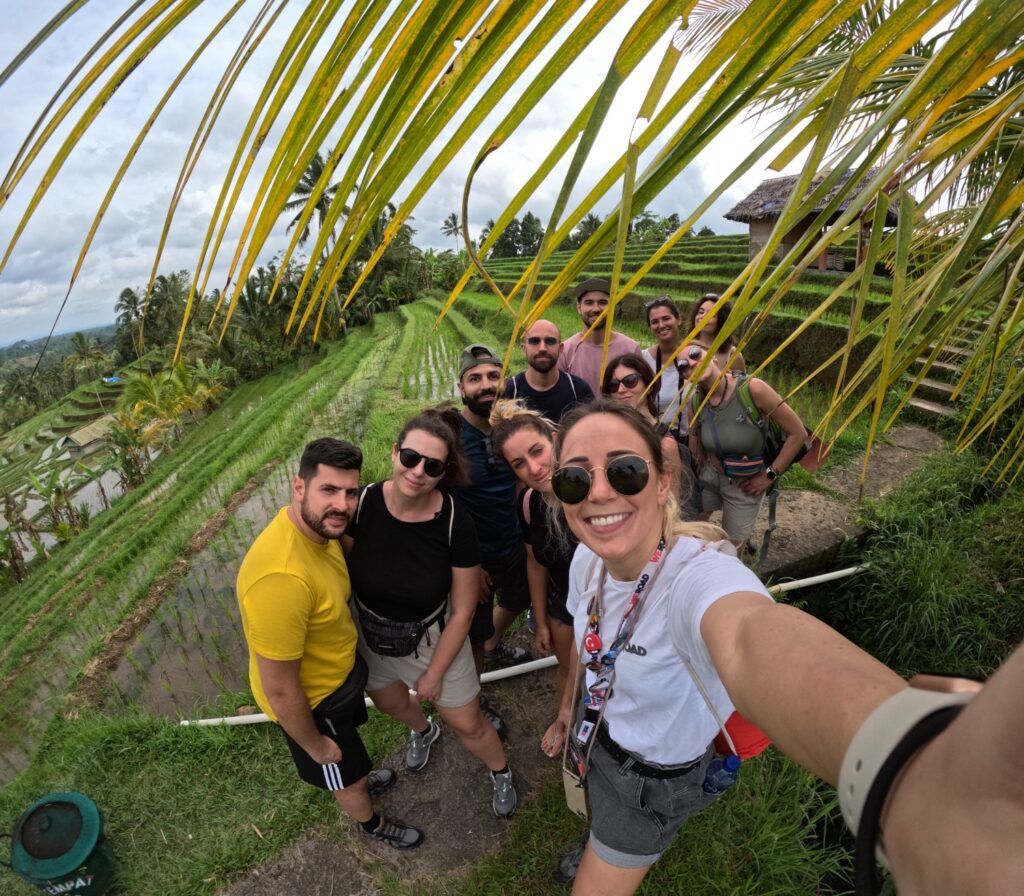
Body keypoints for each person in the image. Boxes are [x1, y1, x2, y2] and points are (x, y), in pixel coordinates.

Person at [544, 401, 1024, 894]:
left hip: (653, 780)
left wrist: (912, 771)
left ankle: (613, 839)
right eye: (574, 479)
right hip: (598, 734)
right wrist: (567, 708)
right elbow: (589, 641)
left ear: (664, 481)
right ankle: (599, 832)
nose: (598, 493)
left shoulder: (696, 577)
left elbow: (747, 637)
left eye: (625, 471)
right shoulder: (588, 561)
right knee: (599, 809)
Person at [235, 438, 423, 850]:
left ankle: (357, 774)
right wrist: (315, 745)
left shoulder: (319, 530)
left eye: (350, 492)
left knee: (349, 753)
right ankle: (371, 822)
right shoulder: (281, 580)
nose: (342, 505)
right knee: (341, 768)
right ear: (299, 487)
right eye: (329, 490)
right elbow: (280, 688)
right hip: (313, 704)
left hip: (337, 678)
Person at [344, 409, 517, 818]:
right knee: (390, 702)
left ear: (444, 472)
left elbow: (463, 609)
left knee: (468, 722)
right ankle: (423, 729)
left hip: (432, 638)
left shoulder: (455, 521)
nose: (418, 471)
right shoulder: (362, 504)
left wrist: (435, 672)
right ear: (394, 452)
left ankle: (501, 771)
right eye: (410, 457)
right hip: (370, 635)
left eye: (433, 465)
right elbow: (338, 567)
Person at [489, 401, 578, 755]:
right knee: (566, 668)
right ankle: (564, 720)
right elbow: (536, 563)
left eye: (537, 451)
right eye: (519, 464)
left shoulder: (593, 489)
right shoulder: (529, 504)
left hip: (611, 604)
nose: (534, 468)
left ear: (554, 439)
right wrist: (540, 621)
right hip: (563, 602)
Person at [454, 343, 533, 733]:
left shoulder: (512, 426)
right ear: (461, 387)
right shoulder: (451, 436)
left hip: (513, 543)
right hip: (475, 557)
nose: (486, 385)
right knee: (472, 632)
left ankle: (493, 645)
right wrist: (466, 564)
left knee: (518, 599)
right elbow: (439, 504)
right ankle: (474, 698)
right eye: (475, 378)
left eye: (493, 376)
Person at [683, 340, 807, 548]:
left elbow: (798, 434)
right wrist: (694, 475)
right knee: (691, 528)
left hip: (745, 482)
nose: (691, 363)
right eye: (683, 365)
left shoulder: (753, 389)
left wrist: (769, 476)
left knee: (732, 545)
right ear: (685, 376)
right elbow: (694, 438)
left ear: (713, 357)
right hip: (709, 474)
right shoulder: (694, 401)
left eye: (695, 354)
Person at [599, 353, 699, 521]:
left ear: (649, 385)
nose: (621, 389)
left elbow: (672, 504)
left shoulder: (665, 444)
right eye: (614, 385)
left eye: (630, 381)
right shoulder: (607, 435)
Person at [503, 319, 594, 422]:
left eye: (550, 341)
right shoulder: (510, 392)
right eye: (534, 341)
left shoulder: (579, 391)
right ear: (524, 349)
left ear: (561, 348)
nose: (542, 348)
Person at [558, 277, 640, 393]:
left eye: (603, 302)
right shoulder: (565, 351)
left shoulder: (631, 349)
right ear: (579, 308)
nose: (596, 309)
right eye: (589, 303)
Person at [640, 296, 693, 435]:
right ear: (650, 327)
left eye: (666, 318)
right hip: (655, 438)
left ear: (678, 319)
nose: (661, 325)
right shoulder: (643, 360)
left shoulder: (695, 357)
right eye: (655, 322)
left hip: (693, 437)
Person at [690, 293, 746, 373]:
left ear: (722, 321)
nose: (703, 317)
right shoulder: (685, 348)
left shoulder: (733, 355)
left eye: (711, 315)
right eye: (701, 312)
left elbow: (742, 381)